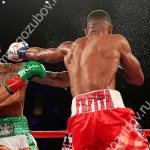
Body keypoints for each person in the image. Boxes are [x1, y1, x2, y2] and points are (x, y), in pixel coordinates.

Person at [7, 10, 149, 150]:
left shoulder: (70, 47)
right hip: (111, 115)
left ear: (86, 30)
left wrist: (21, 51)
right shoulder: (117, 40)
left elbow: (40, 56)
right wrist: (120, 66)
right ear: (110, 29)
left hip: (79, 120)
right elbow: (137, 79)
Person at [0, 60, 68, 150]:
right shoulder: (21, 74)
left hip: (20, 131)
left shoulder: (17, 69)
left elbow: (62, 81)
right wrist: (20, 79)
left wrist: (79, 67)